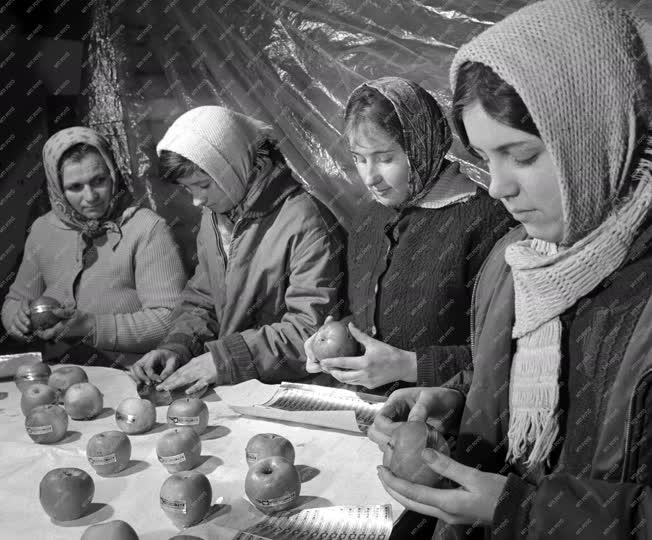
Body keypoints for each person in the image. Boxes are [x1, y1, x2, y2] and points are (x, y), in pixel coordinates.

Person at [371, 1, 652, 538]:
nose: (498, 186)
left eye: (521, 156)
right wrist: (451, 401)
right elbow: (505, 379)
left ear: (596, 134)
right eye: (484, 156)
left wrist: (525, 512)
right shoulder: (515, 263)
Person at [304, 77, 513, 392]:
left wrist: (410, 366)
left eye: (385, 158)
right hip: (369, 417)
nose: (371, 177)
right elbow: (369, 320)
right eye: (359, 159)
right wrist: (335, 340)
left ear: (421, 144)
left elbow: (507, 355)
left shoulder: (485, 222)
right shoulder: (369, 219)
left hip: (444, 428)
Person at [129, 106, 346, 394]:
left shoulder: (307, 222)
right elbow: (205, 300)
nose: (196, 201)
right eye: (188, 189)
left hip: (295, 393)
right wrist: (179, 345)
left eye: (203, 185)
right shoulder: (217, 217)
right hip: (241, 387)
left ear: (230, 167)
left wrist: (226, 359)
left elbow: (312, 332)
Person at [1, 127, 186, 367]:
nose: (90, 197)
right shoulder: (42, 230)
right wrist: (15, 318)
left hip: (131, 374)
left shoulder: (146, 228)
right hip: (61, 374)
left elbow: (169, 321)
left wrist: (91, 326)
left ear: (113, 174)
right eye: (75, 187)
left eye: (99, 181)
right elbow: (17, 299)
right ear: (57, 188)